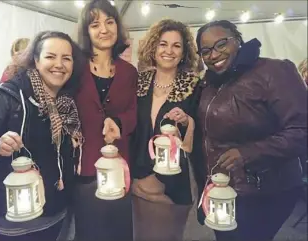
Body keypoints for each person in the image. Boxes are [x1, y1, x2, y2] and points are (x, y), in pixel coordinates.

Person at [0, 31, 85, 241]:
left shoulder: (68, 102)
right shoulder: (10, 95)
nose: (59, 64)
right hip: (15, 222)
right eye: (50, 56)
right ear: (35, 61)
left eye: (66, 58)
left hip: (57, 212)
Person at [195, 20, 307, 241]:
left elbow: (302, 129)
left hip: (265, 191)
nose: (214, 55)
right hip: (223, 188)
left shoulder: (273, 71)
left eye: (221, 44)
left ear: (237, 40)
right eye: (206, 51)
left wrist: (248, 153)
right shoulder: (211, 83)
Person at [130, 19, 200, 241]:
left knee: (168, 235)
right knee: (141, 234)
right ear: (153, 47)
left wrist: (187, 120)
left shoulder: (194, 85)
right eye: (163, 44)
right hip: (139, 176)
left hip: (174, 182)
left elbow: (204, 129)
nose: (169, 51)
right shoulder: (139, 82)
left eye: (176, 45)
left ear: (184, 52)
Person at [73, 0, 137, 240]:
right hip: (84, 168)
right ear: (86, 31)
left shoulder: (129, 72)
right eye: (95, 24)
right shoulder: (75, 68)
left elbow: (134, 112)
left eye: (109, 22)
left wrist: (119, 123)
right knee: (89, 231)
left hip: (119, 167)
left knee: (119, 230)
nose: (104, 29)